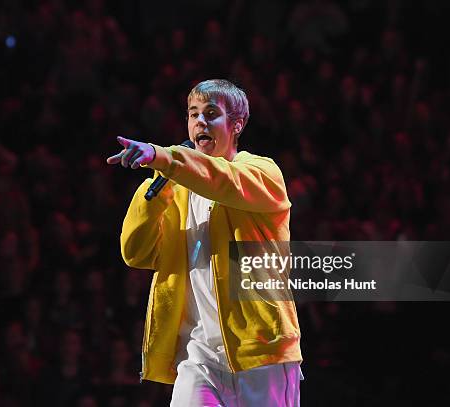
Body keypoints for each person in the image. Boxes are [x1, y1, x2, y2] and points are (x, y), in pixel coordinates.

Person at [107, 79, 303, 406]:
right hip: (200, 355)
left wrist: (164, 157)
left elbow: (221, 181)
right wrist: (159, 187)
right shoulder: (174, 189)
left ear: (236, 124)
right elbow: (135, 252)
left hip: (261, 351)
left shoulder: (261, 172)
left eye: (212, 113)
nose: (201, 121)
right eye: (193, 113)